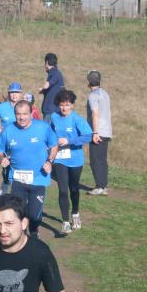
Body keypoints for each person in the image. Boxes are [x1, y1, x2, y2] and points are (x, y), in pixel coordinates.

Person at [0, 100, 58, 238]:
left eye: (25, 114)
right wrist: (1, 159)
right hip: (18, 179)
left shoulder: (43, 128)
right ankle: (21, 238)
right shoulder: (8, 130)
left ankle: (34, 231)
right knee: (19, 213)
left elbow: (54, 145)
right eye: (18, 114)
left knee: (34, 216)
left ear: (31, 114)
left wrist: (50, 161)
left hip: (38, 178)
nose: (22, 117)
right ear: (14, 114)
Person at [50, 90, 92, 234]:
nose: (64, 108)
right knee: (62, 189)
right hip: (60, 159)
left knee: (73, 189)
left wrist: (69, 141)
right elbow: (50, 133)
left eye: (67, 105)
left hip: (75, 160)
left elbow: (88, 136)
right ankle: (66, 222)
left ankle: (75, 214)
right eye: (62, 105)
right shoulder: (54, 117)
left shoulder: (77, 119)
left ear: (72, 105)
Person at [0, 82, 23, 195]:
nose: (14, 95)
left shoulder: (25, 106)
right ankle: (4, 191)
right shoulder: (2, 107)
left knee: (20, 166)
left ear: (20, 94)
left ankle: (20, 193)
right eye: (12, 93)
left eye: (17, 93)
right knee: (6, 168)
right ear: (9, 94)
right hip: (6, 143)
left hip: (22, 142)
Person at [86, 71, 112, 196]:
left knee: (95, 160)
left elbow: (95, 113)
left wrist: (95, 132)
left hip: (98, 131)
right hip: (107, 131)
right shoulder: (105, 94)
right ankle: (104, 185)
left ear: (88, 82)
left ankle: (99, 186)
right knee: (102, 160)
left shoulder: (92, 96)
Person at [38, 53, 64, 122]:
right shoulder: (55, 73)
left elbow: (50, 83)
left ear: (46, 62)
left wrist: (46, 86)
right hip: (53, 112)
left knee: (48, 132)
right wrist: (43, 91)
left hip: (51, 114)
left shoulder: (55, 73)